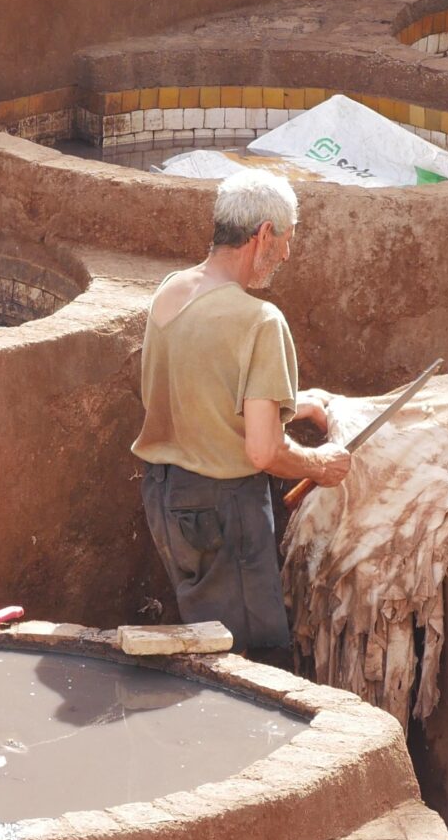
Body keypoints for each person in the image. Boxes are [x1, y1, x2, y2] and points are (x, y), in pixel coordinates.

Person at [131, 169, 351, 653]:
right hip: (224, 510)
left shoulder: (170, 290)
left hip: (166, 499)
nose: (287, 255)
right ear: (264, 234)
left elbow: (200, 391)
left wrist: (294, 407)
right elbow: (262, 451)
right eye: (287, 240)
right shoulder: (260, 321)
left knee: (209, 645)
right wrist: (321, 465)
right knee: (254, 660)